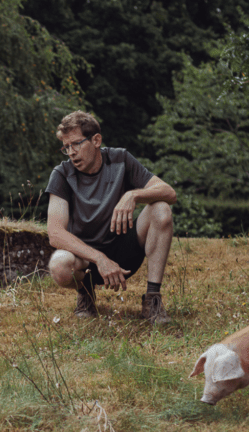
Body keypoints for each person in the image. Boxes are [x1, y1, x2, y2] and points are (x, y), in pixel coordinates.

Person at [45, 111, 176, 324]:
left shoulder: (120, 159)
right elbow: (55, 233)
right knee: (59, 265)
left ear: (96, 140)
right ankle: (85, 293)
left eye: (76, 144)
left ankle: (152, 300)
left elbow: (169, 193)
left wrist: (132, 195)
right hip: (87, 262)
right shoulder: (61, 174)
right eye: (66, 147)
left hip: (126, 252)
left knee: (161, 208)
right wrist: (99, 258)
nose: (71, 152)